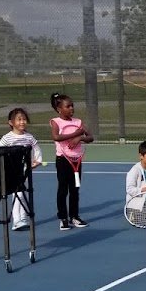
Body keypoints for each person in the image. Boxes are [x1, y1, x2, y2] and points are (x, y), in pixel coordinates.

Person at [50, 93, 93, 230]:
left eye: (72, 105)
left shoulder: (78, 122)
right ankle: (63, 218)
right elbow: (56, 137)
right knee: (63, 190)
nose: (71, 108)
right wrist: (76, 134)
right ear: (59, 109)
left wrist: (80, 138)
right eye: (67, 106)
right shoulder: (56, 122)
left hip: (77, 161)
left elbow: (90, 137)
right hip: (63, 160)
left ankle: (74, 216)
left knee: (75, 190)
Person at [0, 107, 42, 231]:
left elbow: (36, 149)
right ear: (11, 123)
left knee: (21, 193)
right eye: (19, 119)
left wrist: (37, 161)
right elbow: (0, 152)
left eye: (24, 119)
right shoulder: (7, 138)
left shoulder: (29, 137)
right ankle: (17, 221)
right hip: (12, 171)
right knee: (18, 193)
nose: (22, 122)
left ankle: (22, 219)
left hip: (24, 171)